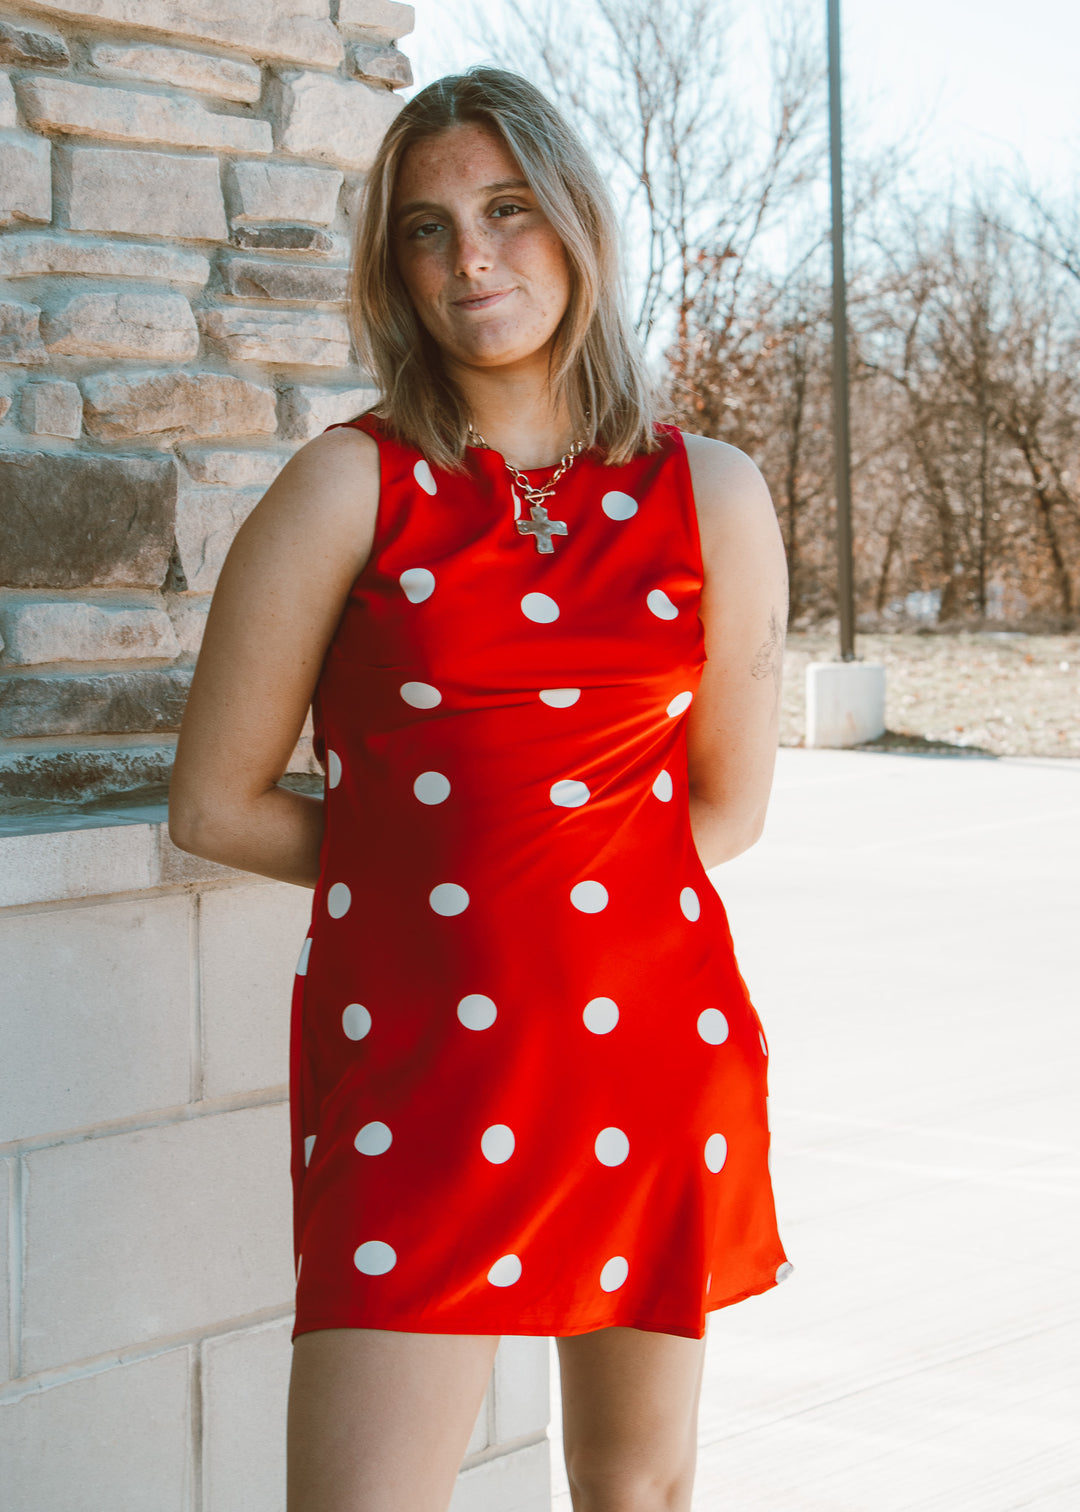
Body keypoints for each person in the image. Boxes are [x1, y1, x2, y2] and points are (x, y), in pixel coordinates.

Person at [169, 64, 792, 1512]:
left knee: (636, 1491)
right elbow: (215, 803)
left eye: (508, 209)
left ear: (577, 223)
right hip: (422, 1076)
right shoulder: (350, 487)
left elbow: (723, 809)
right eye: (426, 228)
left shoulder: (714, 492)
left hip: (650, 1046)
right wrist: (449, 881)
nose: (471, 258)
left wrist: (549, 890)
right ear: (393, 268)